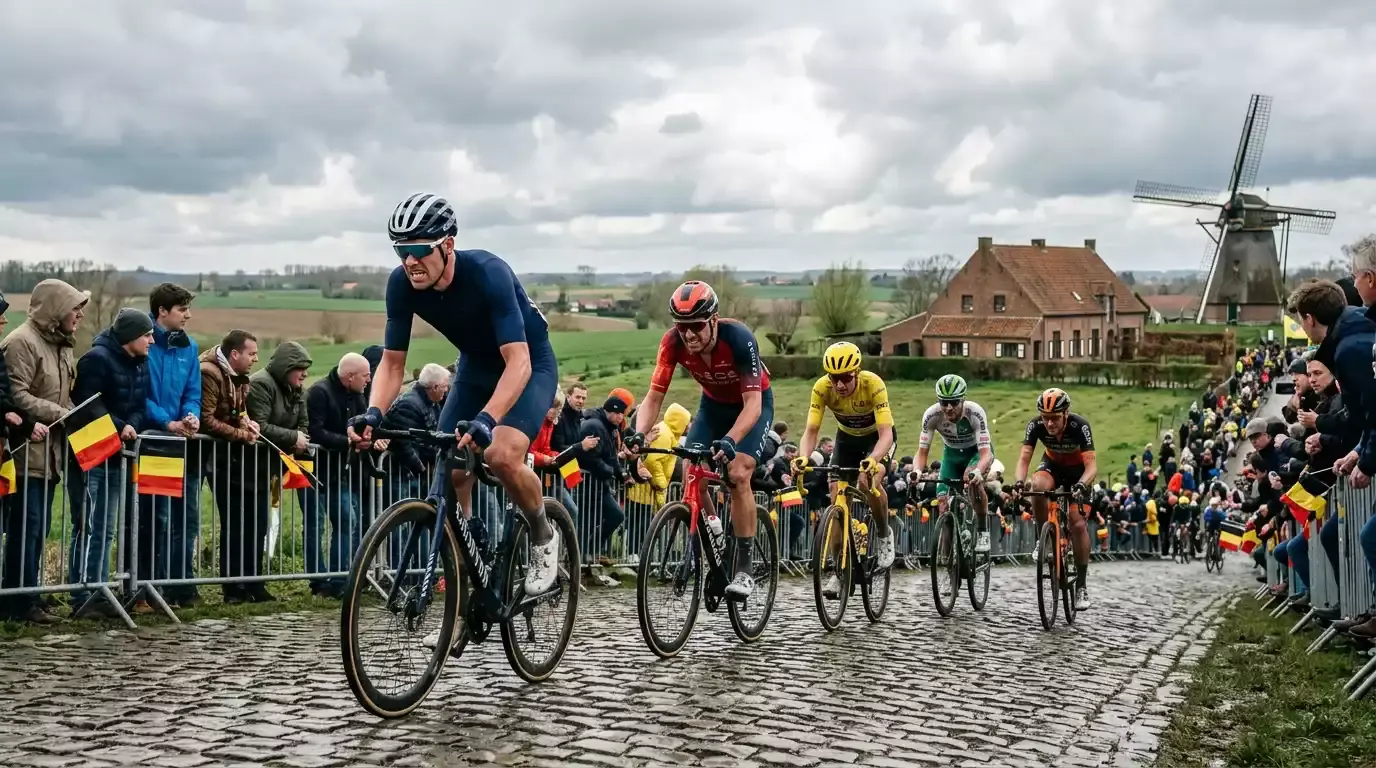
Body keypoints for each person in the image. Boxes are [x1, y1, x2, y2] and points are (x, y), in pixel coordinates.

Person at [348, 193, 562, 597]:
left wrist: (487, 419)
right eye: (400, 250)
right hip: (475, 368)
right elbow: (393, 365)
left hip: (527, 365)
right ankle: (467, 555)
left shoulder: (488, 272)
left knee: (499, 454)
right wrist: (374, 412)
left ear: (447, 245)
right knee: (448, 466)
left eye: (417, 250)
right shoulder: (401, 284)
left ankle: (541, 533)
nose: (409, 261)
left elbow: (519, 363)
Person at [630, 280, 772, 598]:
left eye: (696, 326)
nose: (689, 335)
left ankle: (745, 570)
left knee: (737, 474)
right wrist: (638, 434)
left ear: (713, 320)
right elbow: (654, 398)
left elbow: (752, 405)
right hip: (713, 407)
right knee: (689, 469)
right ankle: (714, 527)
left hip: (752, 405)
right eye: (682, 327)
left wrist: (732, 440)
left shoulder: (738, 338)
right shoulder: (672, 343)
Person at [790, 342, 897, 597]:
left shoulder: (873, 384)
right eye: (834, 378)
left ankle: (883, 534)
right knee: (836, 494)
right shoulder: (822, 388)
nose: (839, 385)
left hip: (877, 440)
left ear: (857, 372)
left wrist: (874, 459)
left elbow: (886, 435)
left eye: (846, 378)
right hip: (846, 439)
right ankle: (839, 571)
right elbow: (812, 430)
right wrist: (804, 457)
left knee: (867, 480)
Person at [70, 309, 152, 612]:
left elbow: (141, 404)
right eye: (146, 335)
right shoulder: (96, 359)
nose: (151, 341)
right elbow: (87, 402)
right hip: (94, 451)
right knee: (89, 524)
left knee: (107, 527)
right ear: (130, 335)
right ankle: (82, 593)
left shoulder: (141, 363)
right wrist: (120, 425)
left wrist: (132, 423)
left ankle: (100, 588)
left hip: (120, 454)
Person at [142, 283, 203, 608]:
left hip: (180, 444)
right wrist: (168, 422)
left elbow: (193, 390)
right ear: (162, 312)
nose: (188, 315)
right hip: (152, 442)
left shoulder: (189, 347)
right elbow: (141, 394)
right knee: (156, 519)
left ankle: (177, 587)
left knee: (185, 519)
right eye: (182, 309)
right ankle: (148, 588)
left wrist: (191, 416)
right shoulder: (144, 342)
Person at [1012, 387, 1097, 608]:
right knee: (1037, 486)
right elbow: (1024, 459)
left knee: (1077, 524)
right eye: (1045, 418)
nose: (1049, 423)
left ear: (1066, 414)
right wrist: (1019, 483)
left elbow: (1092, 466)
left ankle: (1081, 586)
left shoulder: (1080, 425)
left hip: (1079, 473)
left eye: (1055, 418)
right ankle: (1044, 539)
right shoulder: (1036, 425)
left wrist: (1081, 484)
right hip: (1053, 466)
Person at [245, 341, 314, 603]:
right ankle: (239, 585)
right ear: (288, 367)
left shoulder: (297, 390)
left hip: (274, 469)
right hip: (250, 468)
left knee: (264, 524)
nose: (305, 374)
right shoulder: (261, 383)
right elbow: (260, 425)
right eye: (301, 368)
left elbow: (304, 427)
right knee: (248, 526)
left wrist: (297, 437)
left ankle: (256, 582)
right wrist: (293, 436)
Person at [198, 330, 262, 603]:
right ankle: (231, 586)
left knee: (246, 519)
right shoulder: (210, 373)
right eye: (251, 354)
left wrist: (249, 422)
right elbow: (207, 419)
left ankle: (249, 582)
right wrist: (241, 435)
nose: (255, 360)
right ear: (234, 354)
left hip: (232, 457)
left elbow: (239, 410)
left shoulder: (239, 377)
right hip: (213, 456)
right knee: (232, 521)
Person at [913, 374, 994, 550]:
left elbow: (986, 454)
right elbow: (921, 452)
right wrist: (917, 471)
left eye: (954, 402)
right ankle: (948, 557)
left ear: (963, 400)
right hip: (951, 455)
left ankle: (982, 529)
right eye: (944, 402)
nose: (948, 408)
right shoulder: (931, 415)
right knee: (942, 500)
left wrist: (979, 470)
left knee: (971, 479)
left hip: (976, 454)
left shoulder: (975, 413)